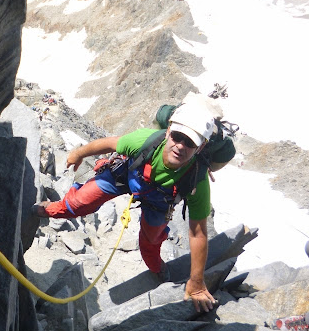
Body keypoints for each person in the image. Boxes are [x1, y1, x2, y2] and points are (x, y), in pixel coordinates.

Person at [33, 100, 221, 313]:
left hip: (158, 201)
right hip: (124, 175)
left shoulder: (197, 181)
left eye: (190, 143)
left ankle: (158, 268)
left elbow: (198, 233)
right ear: (168, 131)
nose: (180, 146)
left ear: (201, 147)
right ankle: (47, 208)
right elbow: (110, 143)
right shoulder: (144, 141)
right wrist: (79, 154)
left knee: (150, 242)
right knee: (79, 204)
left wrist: (196, 282)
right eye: (177, 137)